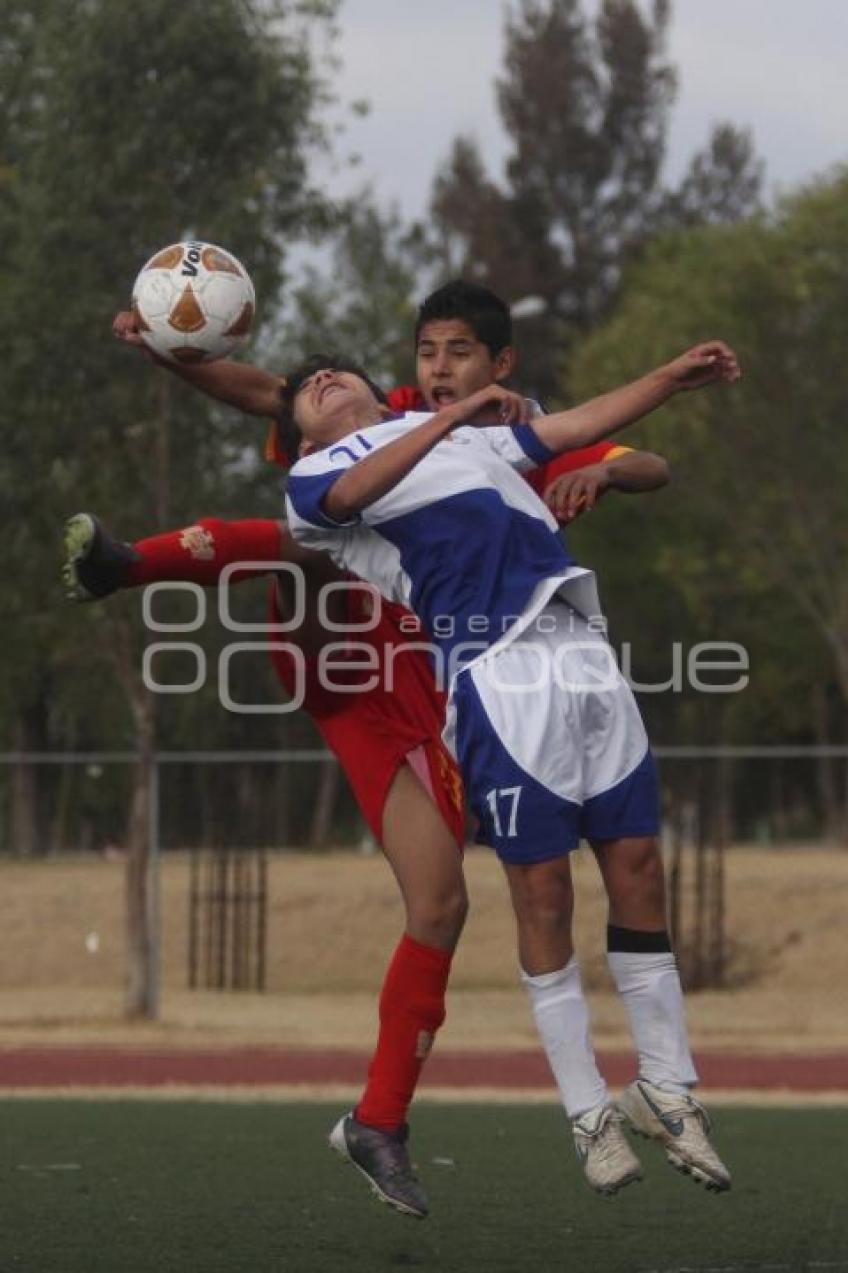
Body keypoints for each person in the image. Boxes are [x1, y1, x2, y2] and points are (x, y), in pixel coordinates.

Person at [63, 282, 671, 1213]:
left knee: (441, 903)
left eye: (458, 354)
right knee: (300, 544)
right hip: (351, 674)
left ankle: (378, 1121)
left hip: (456, 680)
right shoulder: (355, 443)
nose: (438, 369)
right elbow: (270, 390)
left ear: (492, 364)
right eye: (430, 352)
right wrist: (166, 350)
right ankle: (129, 562)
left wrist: (609, 469)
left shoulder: (487, 428)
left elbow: (633, 454)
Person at [283, 342, 739, 1197]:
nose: (321, 377)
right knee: (543, 894)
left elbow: (574, 425)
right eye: (308, 388)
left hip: (581, 648)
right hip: (494, 671)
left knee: (640, 868)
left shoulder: (455, 436)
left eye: (334, 368)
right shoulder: (321, 479)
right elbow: (352, 494)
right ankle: (588, 1113)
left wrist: (669, 379)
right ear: (305, 438)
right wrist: (453, 414)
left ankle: (668, 1089)